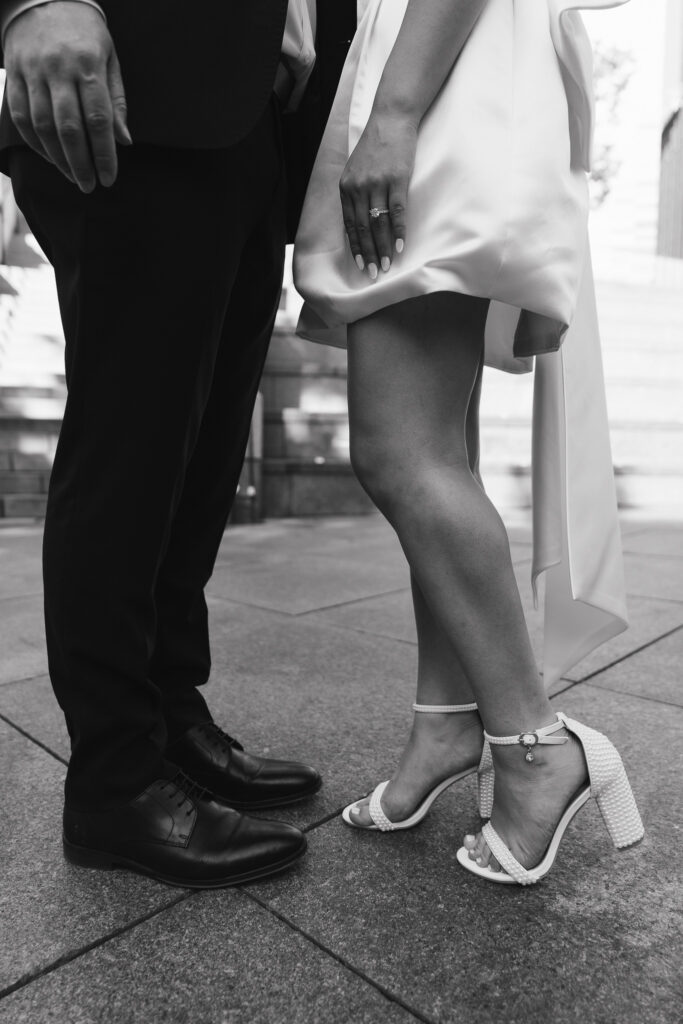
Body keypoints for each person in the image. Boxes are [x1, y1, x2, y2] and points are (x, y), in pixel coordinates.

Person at [0, 0, 355, 889]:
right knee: (133, 445)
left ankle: (167, 713)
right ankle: (116, 779)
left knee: (200, 454)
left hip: (249, 112)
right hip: (126, 87)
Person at [294, 0, 644, 884]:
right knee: (437, 441)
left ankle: (535, 744)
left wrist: (397, 114)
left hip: (442, 76)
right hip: (453, 66)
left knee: (399, 448)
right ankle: (447, 719)